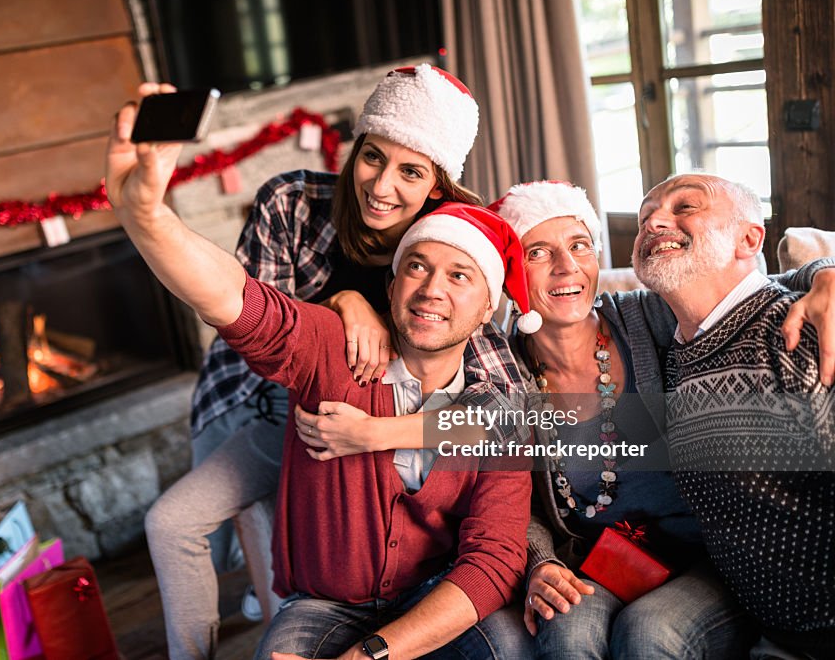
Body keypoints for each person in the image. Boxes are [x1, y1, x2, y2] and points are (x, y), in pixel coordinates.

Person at [295, 180, 835, 657]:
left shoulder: (649, 313)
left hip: (703, 553)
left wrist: (828, 274)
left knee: (649, 635)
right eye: (539, 252)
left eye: (579, 246)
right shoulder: (499, 366)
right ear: (510, 276)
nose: (566, 267)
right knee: (567, 633)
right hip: (600, 560)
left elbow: (755, 280)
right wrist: (540, 563)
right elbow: (508, 486)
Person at [106, 93, 539, 656]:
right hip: (276, 435)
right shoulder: (328, 330)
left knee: (507, 645)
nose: (432, 288)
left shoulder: (491, 396)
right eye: (417, 267)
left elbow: (504, 505)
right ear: (391, 283)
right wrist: (147, 218)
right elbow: (237, 299)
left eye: (459, 276)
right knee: (210, 546)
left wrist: (373, 434)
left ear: (489, 311)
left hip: (429, 588)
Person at [632, 173, 835, 658]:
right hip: (772, 631)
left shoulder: (805, 333)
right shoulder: (670, 347)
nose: (655, 221)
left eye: (686, 207)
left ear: (749, 238)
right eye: (644, 219)